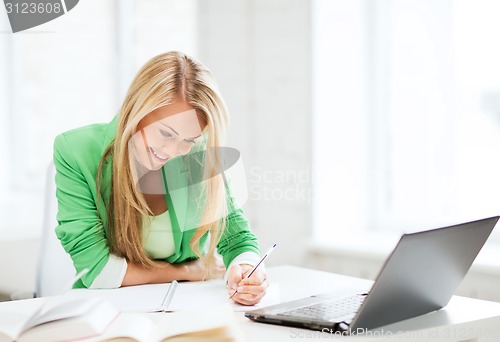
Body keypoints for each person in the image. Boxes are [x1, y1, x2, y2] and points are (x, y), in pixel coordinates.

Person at [53, 51, 267, 305]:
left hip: (184, 307)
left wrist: (247, 270)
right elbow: (97, 271)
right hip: (106, 310)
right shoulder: (75, 151)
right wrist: (185, 272)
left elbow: (237, 238)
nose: (172, 151)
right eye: (166, 133)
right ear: (137, 109)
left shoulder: (199, 155)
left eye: (188, 140)